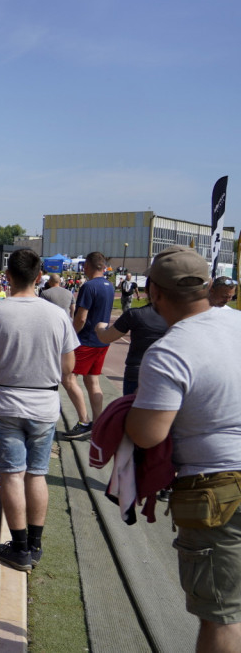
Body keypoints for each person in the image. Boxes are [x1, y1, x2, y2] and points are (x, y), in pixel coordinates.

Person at [125, 245, 241, 652]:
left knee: (221, 616)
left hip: (219, 487)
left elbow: (148, 434)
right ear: (209, 286)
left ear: (154, 293)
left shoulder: (170, 350)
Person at [0, 249, 78, 572]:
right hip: (44, 404)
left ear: (8, 276)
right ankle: (35, 544)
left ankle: (18, 548)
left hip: (5, 403)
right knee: (37, 473)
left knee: (12, 474)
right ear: (39, 276)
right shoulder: (57, 314)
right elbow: (69, 365)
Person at [64, 252, 116, 440]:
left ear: (87, 266)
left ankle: (83, 421)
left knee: (68, 378)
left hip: (86, 340)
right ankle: (98, 423)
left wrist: (70, 336)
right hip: (102, 340)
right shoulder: (110, 286)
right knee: (92, 381)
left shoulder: (88, 287)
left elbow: (81, 317)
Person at [95, 293, 168, 396]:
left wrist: (99, 327)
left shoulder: (135, 314)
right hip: (168, 375)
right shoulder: (182, 318)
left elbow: (106, 338)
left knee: (132, 409)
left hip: (137, 373)